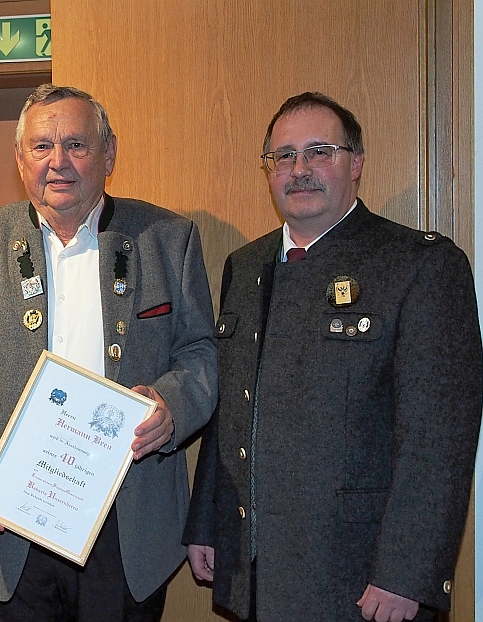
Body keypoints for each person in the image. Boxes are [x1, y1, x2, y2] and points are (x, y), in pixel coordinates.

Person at [183, 92, 483, 622]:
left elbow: (438, 439)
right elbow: (231, 408)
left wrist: (406, 573)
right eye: (284, 156)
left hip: (361, 576)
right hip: (257, 568)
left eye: (320, 151)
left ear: (356, 162)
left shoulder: (420, 264)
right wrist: (208, 523)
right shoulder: (245, 266)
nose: (299, 169)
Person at [0, 84, 218, 622]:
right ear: (20, 159)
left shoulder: (167, 240)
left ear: (110, 154)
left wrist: (173, 406)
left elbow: (201, 351)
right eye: (41, 146)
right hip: (6, 519)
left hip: (125, 525)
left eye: (77, 145)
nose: (57, 161)